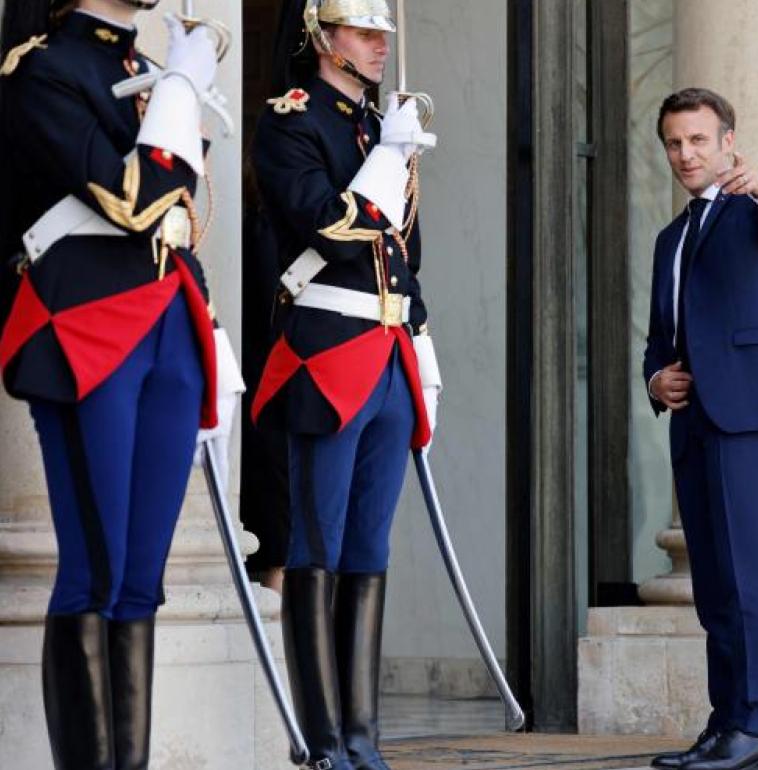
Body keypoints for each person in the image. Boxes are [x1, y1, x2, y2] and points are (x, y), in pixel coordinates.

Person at [0, 0, 238, 767]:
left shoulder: (141, 69)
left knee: (141, 577)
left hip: (169, 320)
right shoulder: (43, 67)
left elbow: (177, 211)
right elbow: (132, 199)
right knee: (94, 568)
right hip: (86, 324)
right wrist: (177, 94)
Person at [249, 1, 441, 767]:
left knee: (369, 545)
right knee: (317, 542)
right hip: (327, 350)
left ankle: (363, 734)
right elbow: (324, 222)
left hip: (389, 352)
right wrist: (388, 160)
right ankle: (321, 736)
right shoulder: (294, 121)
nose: (380, 44)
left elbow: (406, 255)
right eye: (364, 32)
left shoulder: (377, 126)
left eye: (383, 33)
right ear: (322, 39)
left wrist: (421, 341)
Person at [643, 87, 758, 770]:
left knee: (750, 575)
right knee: (714, 583)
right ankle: (727, 723)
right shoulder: (670, 238)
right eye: (675, 144)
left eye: (699, 141)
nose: (686, 154)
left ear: (728, 143)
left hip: (750, 411)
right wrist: (656, 379)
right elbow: (660, 338)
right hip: (695, 420)